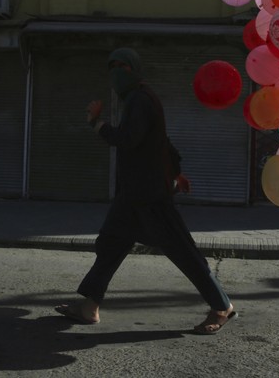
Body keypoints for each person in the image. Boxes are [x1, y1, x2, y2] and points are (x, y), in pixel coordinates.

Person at [55, 47, 237, 335]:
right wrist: (176, 171)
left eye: (122, 67)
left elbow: (129, 139)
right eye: (111, 66)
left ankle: (221, 306)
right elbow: (160, 141)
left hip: (150, 196)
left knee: (182, 251)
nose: (116, 73)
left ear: (135, 70)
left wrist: (96, 122)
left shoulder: (140, 100)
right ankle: (90, 306)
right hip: (133, 196)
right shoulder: (138, 100)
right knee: (110, 246)